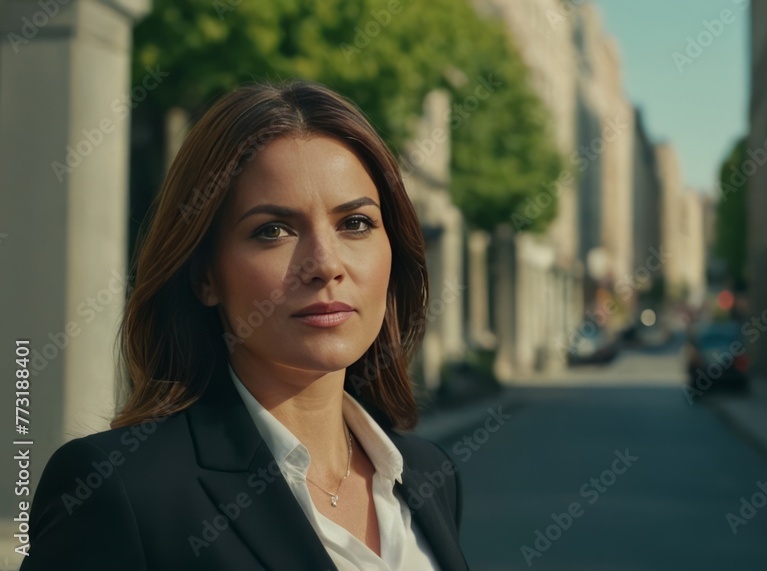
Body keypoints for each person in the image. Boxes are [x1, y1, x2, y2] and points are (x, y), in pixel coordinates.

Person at [22, 81, 470, 571]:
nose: (325, 264)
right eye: (272, 231)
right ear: (205, 275)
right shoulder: (120, 489)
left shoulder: (428, 475)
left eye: (355, 223)